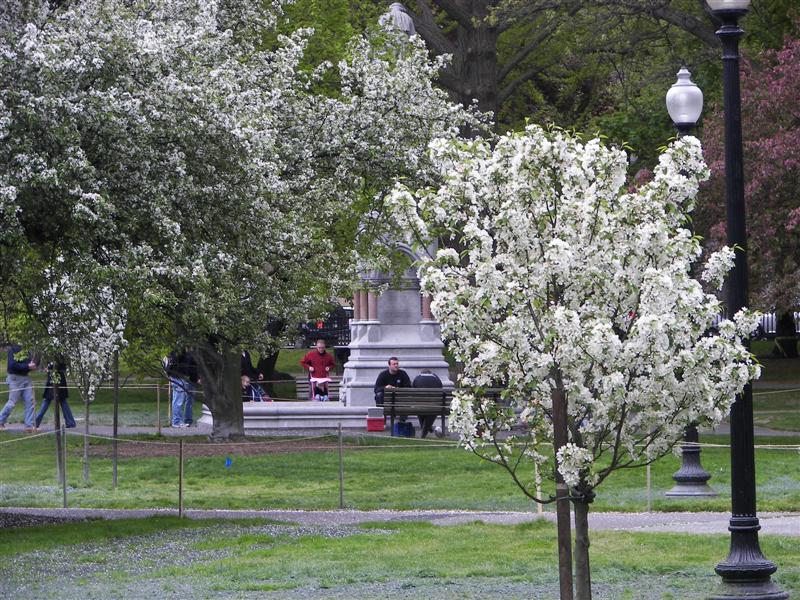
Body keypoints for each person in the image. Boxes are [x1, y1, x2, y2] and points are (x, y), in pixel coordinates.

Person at [0, 344, 38, 432]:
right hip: (15, 378)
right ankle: (0, 420)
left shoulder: (27, 350)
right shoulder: (13, 349)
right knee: (12, 402)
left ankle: (29, 426)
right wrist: (27, 366)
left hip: (26, 378)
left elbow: (28, 364)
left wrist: (32, 367)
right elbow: (12, 365)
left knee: (30, 401)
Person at [35, 360, 77, 429]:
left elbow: (61, 365)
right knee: (52, 401)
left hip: (57, 379)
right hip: (54, 378)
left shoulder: (58, 357)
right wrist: (49, 367)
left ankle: (36, 422)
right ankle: (70, 422)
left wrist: (50, 367)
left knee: (56, 401)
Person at [166, 348, 198, 428]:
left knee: (178, 400)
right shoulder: (180, 351)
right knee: (178, 400)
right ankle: (177, 422)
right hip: (177, 376)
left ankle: (179, 421)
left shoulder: (185, 352)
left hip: (178, 376)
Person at [413, 369, 443, 438]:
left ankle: (425, 428)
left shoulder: (417, 378)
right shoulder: (436, 378)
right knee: (433, 410)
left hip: (420, 405)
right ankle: (426, 429)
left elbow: (413, 391)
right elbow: (440, 391)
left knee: (420, 407)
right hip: (434, 405)